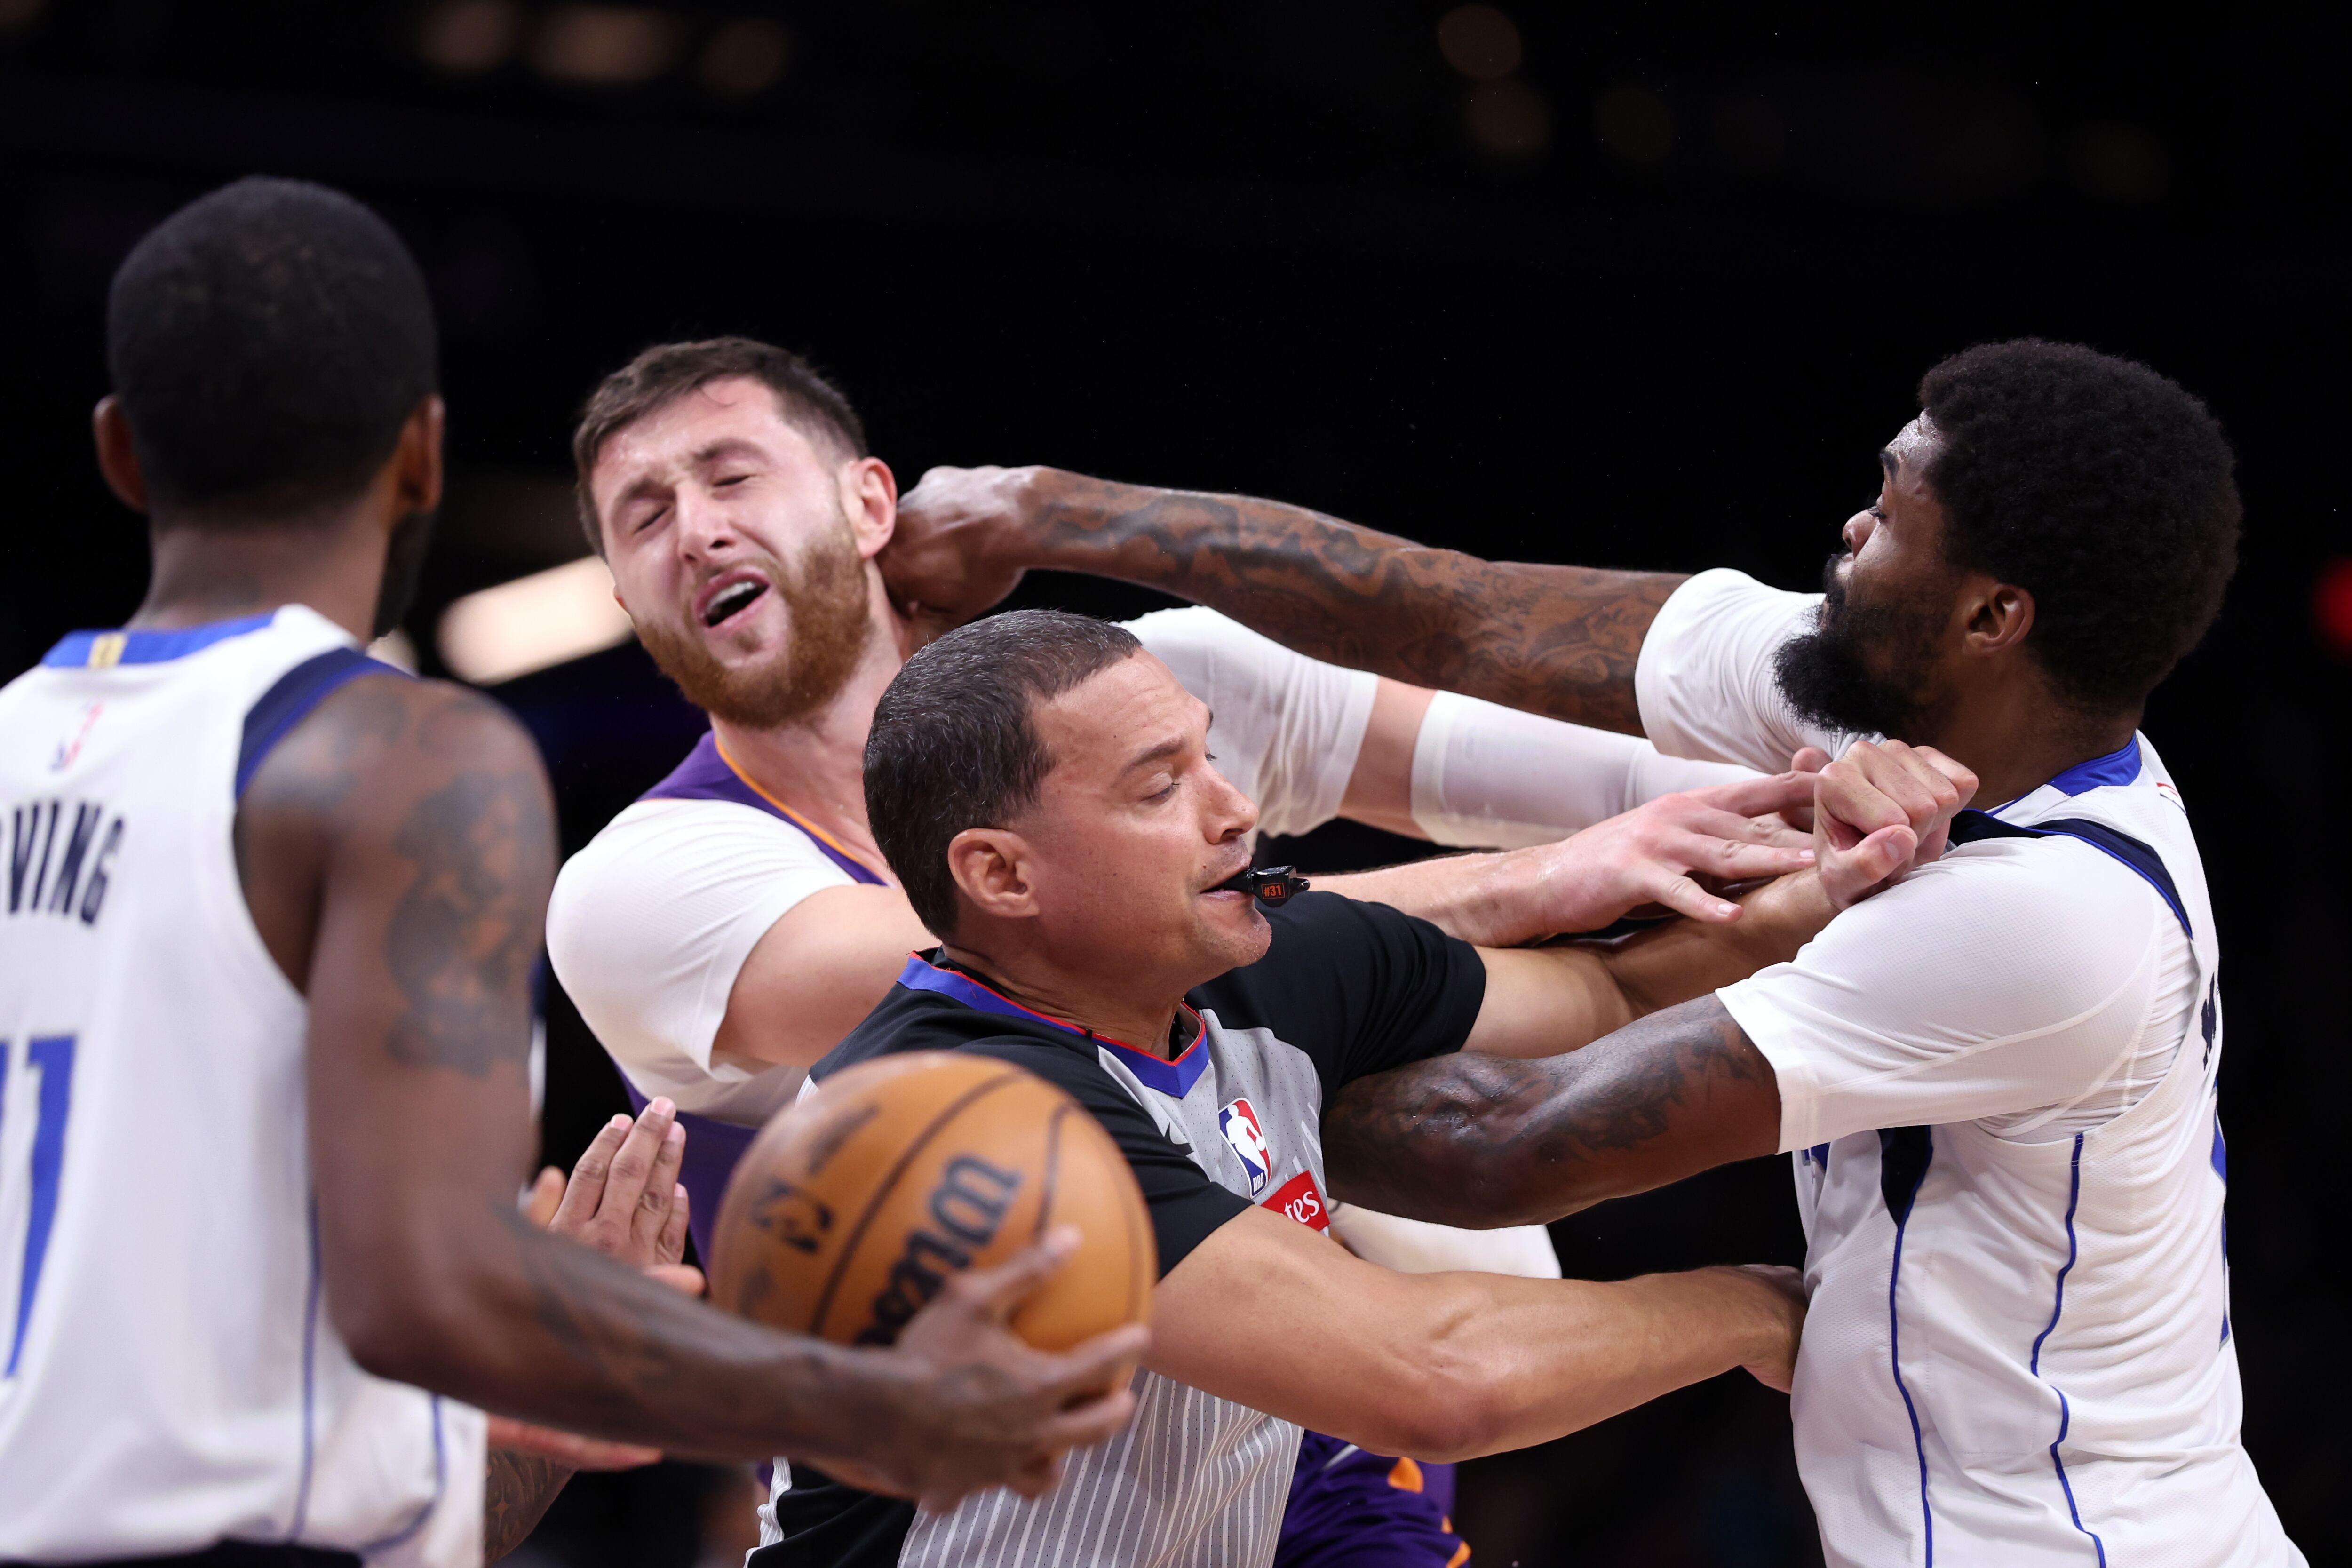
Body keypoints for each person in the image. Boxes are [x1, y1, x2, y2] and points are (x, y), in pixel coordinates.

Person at [878, 340, 2304, 1566]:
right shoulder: (1884, 694)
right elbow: (1454, 612)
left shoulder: (2045, 916)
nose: (1852, 530)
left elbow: (1497, 1148)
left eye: (1888, 512)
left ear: (1993, 616)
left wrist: (1144, 1041)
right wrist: (1044, 509)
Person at [0, 178, 1144, 1568]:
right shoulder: (393, 756)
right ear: (422, 454)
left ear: (120, 453)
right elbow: (422, 1300)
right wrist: (876, 1401)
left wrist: (550, 1385)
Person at [544, 339, 1826, 1561]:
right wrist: (1536, 879)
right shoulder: (642, 885)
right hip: (978, 1478)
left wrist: (1851, 796)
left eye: (730, 474)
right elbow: (1084, 953)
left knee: (1391, 1053)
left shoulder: (1144, 695)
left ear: (870, 501)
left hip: (1300, 1413)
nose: (694, 529)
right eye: (642, 516)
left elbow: (1629, 766)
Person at [763, 607, 1963, 1568]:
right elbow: (1433, 1379)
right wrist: (1759, 1306)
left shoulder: (1261, 959)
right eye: (1159, 787)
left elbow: (1612, 994)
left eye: (1207, 754)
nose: (1235, 808)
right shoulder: (950, 1115)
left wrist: (1848, 873)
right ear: (1000, 874)